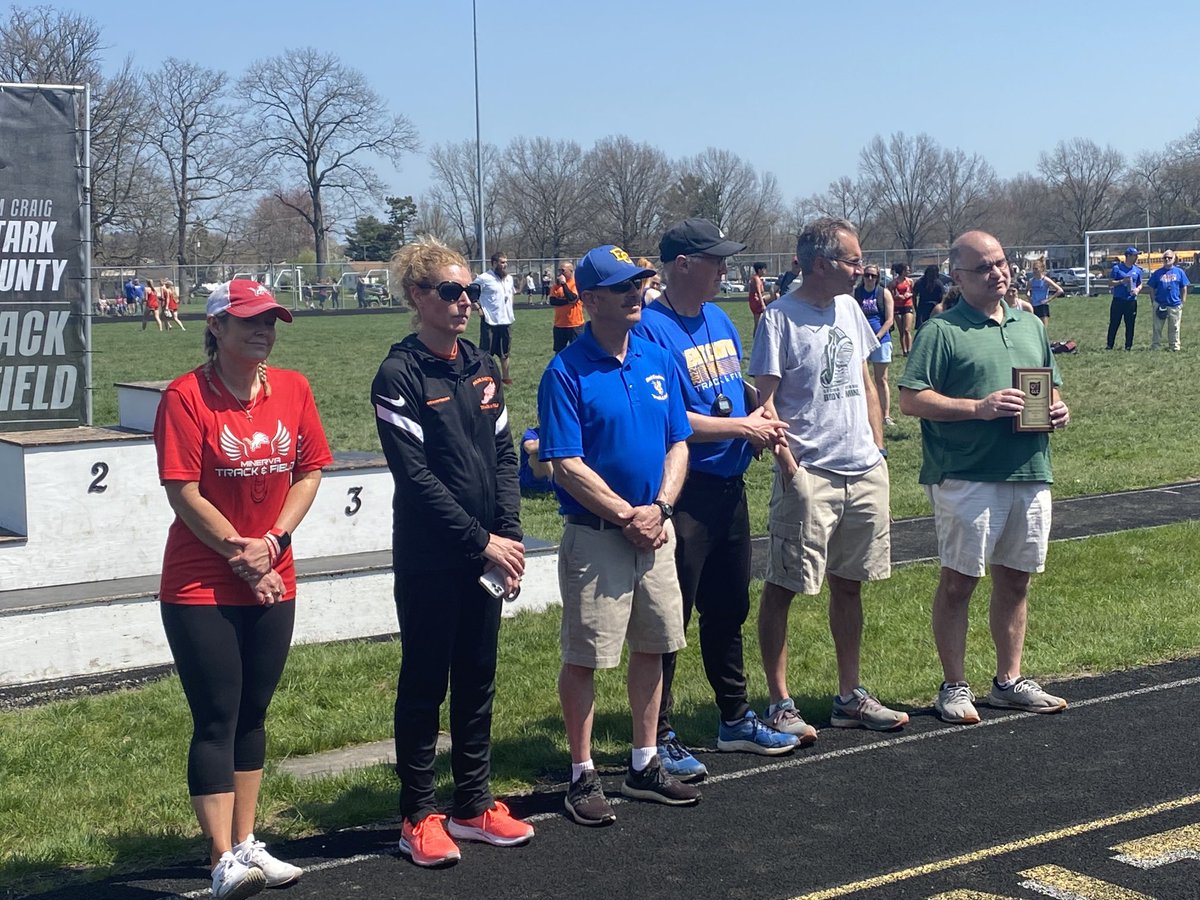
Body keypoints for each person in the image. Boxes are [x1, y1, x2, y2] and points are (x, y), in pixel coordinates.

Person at [153, 279, 331, 899]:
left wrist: (273, 544)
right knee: (217, 717)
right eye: (250, 321)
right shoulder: (184, 397)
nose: (264, 330)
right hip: (202, 580)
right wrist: (241, 555)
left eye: (271, 320)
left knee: (254, 712)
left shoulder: (293, 388)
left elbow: (309, 470)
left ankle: (249, 840)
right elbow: (184, 491)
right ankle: (221, 856)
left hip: (272, 570)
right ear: (217, 329)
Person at [371, 238, 534, 868]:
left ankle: (473, 804)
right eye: (449, 291)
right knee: (424, 683)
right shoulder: (399, 373)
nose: (463, 302)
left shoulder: (481, 363)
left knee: (478, 679)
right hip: (432, 556)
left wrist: (509, 535)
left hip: (488, 551)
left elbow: (502, 456)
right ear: (418, 297)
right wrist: (480, 539)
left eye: (467, 291)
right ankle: (416, 815)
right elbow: (416, 479)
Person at [538, 244, 701, 827]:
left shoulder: (656, 358)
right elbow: (566, 461)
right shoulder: (565, 371)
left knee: (654, 645)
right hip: (599, 536)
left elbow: (678, 441)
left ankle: (643, 761)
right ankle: (581, 773)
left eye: (639, 283)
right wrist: (626, 515)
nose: (637, 293)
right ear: (592, 299)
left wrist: (658, 507)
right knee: (585, 657)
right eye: (622, 286)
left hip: (656, 531)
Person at [633, 219, 799, 782]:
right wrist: (740, 430)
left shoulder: (719, 317)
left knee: (728, 610)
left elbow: (732, 392)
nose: (726, 271)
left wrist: (759, 412)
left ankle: (733, 718)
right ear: (683, 263)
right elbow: (670, 421)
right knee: (669, 619)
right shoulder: (651, 329)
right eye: (716, 261)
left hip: (729, 486)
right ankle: (660, 733)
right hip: (686, 491)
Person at [898, 229, 1071, 726]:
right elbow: (911, 399)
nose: (998, 272)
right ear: (958, 277)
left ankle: (1008, 681)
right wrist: (978, 407)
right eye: (984, 267)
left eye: (1001, 262)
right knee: (960, 581)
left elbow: (1052, 389)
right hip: (967, 474)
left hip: (1030, 470)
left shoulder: (1030, 325)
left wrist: (1059, 410)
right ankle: (953, 684)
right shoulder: (942, 330)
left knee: (1016, 579)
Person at [747, 217, 907, 737]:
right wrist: (790, 469)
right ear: (821, 264)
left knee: (850, 584)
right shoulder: (779, 318)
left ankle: (849, 695)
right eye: (853, 260)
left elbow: (863, 376)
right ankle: (779, 701)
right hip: (809, 472)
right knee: (784, 586)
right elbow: (763, 400)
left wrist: (877, 449)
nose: (863, 268)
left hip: (863, 470)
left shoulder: (849, 309)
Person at [854, 265, 896, 427]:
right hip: (861, 341)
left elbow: (889, 320)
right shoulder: (857, 293)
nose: (869, 278)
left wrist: (877, 337)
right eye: (867, 275)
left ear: (878, 277)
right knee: (861, 379)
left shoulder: (883, 293)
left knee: (881, 379)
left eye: (873, 276)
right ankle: (865, 413)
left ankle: (885, 415)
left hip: (881, 340)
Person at [472, 251, 516, 384]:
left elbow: (511, 294)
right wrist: (478, 308)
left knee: (505, 352)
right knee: (486, 352)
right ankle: (486, 377)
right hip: (490, 321)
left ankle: (506, 377)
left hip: (506, 321)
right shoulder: (483, 278)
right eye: (502, 262)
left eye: (506, 262)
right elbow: (470, 292)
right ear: (494, 263)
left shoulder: (509, 279)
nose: (505, 265)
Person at [1148, 250, 1189, 351]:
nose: (1167, 259)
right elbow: (1151, 287)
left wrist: (1182, 301)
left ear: (1174, 259)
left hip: (1174, 304)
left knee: (1174, 327)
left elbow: (1184, 287)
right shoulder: (1157, 273)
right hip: (1160, 303)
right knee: (1157, 327)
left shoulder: (1179, 272)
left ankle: (1174, 346)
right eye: (1165, 258)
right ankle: (1156, 346)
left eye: (1170, 258)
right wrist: (1154, 302)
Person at [1108, 247, 1144, 350]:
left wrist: (1137, 290)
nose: (1136, 257)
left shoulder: (1137, 270)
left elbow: (1140, 284)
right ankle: (1110, 345)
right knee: (1114, 322)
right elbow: (1110, 283)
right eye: (1134, 255)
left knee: (1130, 324)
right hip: (1118, 300)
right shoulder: (1117, 268)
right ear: (1128, 256)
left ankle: (1128, 345)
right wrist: (1121, 281)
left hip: (1131, 301)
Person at [549, 260, 584, 352]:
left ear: (571, 271)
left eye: (563, 270)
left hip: (574, 324)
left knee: (577, 352)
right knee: (559, 352)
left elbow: (572, 298)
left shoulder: (575, 284)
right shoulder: (556, 285)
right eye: (559, 270)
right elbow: (553, 301)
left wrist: (564, 284)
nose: (560, 273)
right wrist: (568, 301)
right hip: (559, 324)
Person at [1026, 260, 1063, 331]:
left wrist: (1048, 300)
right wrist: (1030, 299)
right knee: (1035, 327)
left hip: (1043, 306)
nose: (1034, 271)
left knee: (1043, 328)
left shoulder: (1045, 280)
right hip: (1034, 305)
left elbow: (1060, 290)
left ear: (1041, 269)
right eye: (1033, 269)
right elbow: (1027, 291)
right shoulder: (1031, 281)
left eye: (1036, 269)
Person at [519, 425, 554, 492]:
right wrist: (554, 437)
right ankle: (557, 487)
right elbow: (529, 448)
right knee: (540, 453)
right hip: (531, 479)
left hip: (558, 475)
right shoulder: (533, 433)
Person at [890, 262, 915, 355]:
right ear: (902, 271)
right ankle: (904, 351)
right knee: (901, 331)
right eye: (907, 270)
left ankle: (910, 350)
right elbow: (890, 295)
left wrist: (910, 294)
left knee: (907, 329)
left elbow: (914, 292)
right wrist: (897, 297)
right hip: (897, 307)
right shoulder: (894, 282)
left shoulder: (910, 281)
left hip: (907, 305)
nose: (908, 271)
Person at [748, 262, 768, 334]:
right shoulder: (756, 279)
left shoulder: (758, 278)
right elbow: (758, 292)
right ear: (759, 270)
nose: (765, 271)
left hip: (754, 301)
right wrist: (763, 304)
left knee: (757, 324)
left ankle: (755, 341)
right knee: (776, 296)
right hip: (756, 302)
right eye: (764, 269)